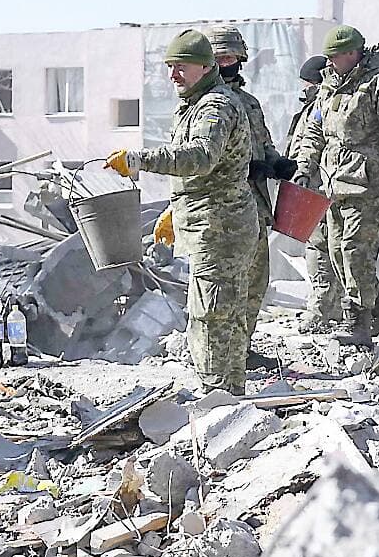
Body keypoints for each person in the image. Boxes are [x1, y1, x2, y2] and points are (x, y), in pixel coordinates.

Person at [109, 30, 256, 394]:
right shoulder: (194, 103)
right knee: (221, 312)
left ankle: (218, 394)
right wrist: (175, 211)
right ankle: (227, 392)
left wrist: (139, 161)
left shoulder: (215, 106)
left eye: (182, 67)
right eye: (171, 67)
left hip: (221, 226)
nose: (174, 75)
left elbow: (201, 157)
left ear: (205, 67)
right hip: (210, 221)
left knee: (212, 315)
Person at [292, 25, 379, 348]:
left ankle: (358, 322)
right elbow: (315, 132)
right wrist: (304, 169)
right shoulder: (328, 88)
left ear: (354, 53)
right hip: (333, 185)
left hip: (368, 185)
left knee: (355, 253)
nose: (331, 63)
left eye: (336, 57)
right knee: (336, 253)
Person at [205, 24, 289, 350]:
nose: (227, 62)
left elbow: (263, 143)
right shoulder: (206, 104)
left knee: (255, 280)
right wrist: (245, 168)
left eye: (231, 56)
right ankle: (220, 353)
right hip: (221, 208)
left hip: (253, 204)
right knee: (226, 284)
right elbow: (203, 157)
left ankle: (241, 349)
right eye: (219, 57)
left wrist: (276, 162)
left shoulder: (248, 102)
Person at [284, 55, 344, 333]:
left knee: (320, 248)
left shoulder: (324, 108)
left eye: (307, 82)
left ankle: (322, 311)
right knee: (322, 247)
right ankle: (332, 308)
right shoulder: (312, 108)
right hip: (309, 187)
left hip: (321, 189)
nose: (303, 88)